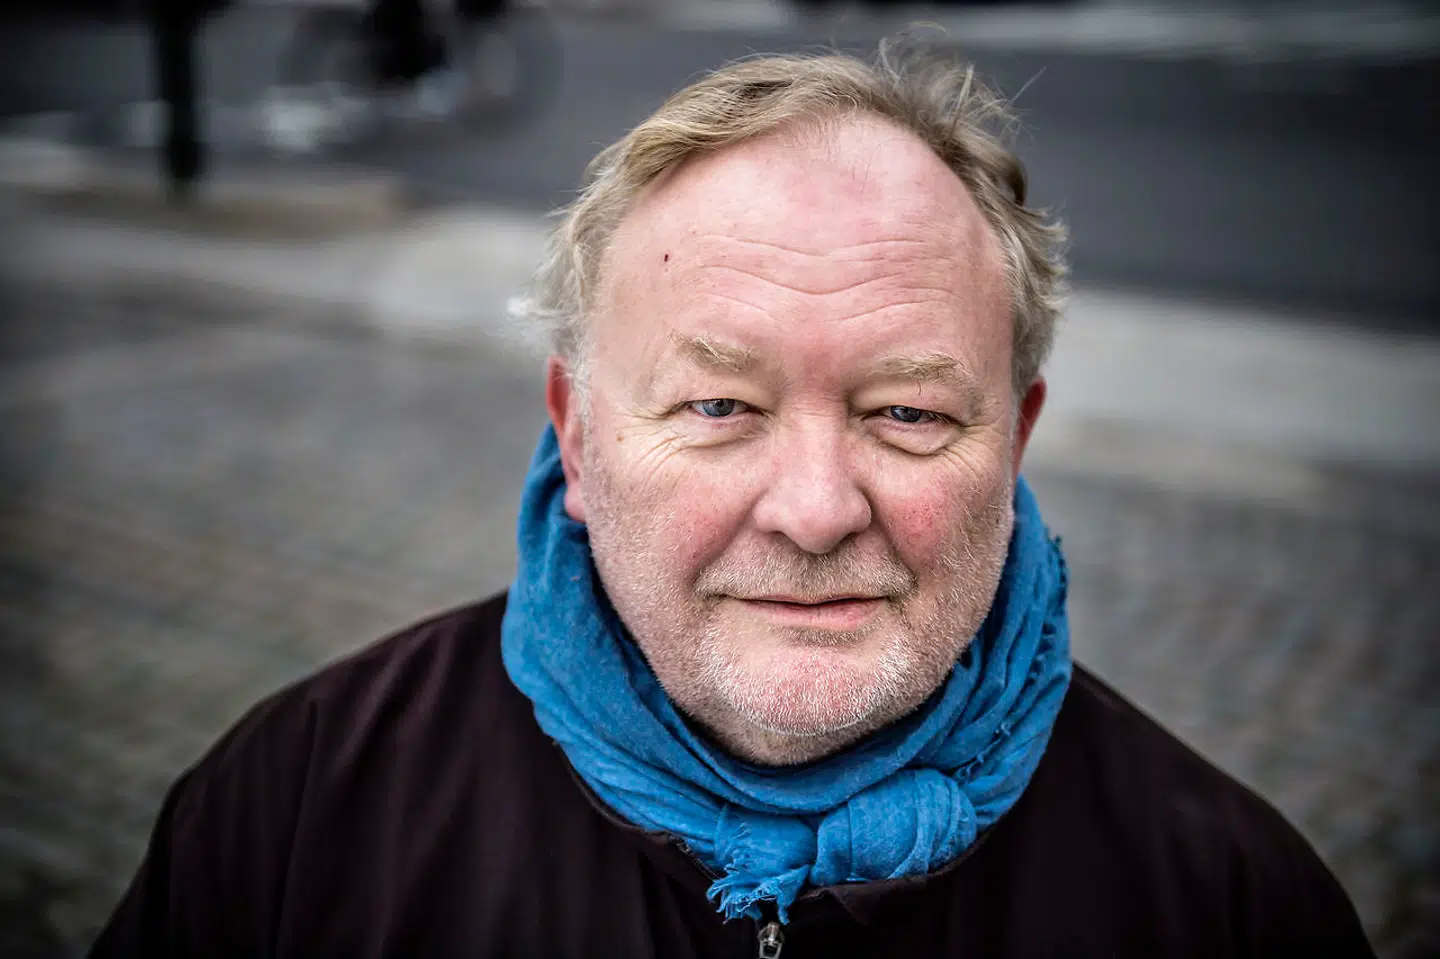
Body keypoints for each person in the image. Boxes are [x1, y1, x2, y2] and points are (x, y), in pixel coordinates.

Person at [90, 46, 1373, 957]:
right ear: (577, 435)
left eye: (908, 413)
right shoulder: (298, 808)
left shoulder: (1228, 903)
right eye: (718, 405)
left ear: (1017, 440)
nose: (814, 512)